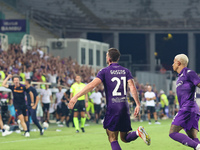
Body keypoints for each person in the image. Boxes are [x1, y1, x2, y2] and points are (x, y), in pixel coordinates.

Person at [69, 48, 151, 150]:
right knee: (124, 137)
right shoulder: (126, 71)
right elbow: (132, 87)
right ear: (118, 58)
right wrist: (138, 104)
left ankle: (138, 132)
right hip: (124, 106)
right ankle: (138, 132)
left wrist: (75, 96)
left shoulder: (104, 71)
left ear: (108, 58)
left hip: (113, 107)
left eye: (106, 55)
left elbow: (91, 86)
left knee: (112, 137)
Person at [169, 54, 200, 149]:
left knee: (173, 132)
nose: (172, 64)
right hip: (190, 109)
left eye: (174, 62)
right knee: (192, 137)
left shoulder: (188, 73)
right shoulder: (180, 76)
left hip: (188, 108)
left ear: (178, 63)